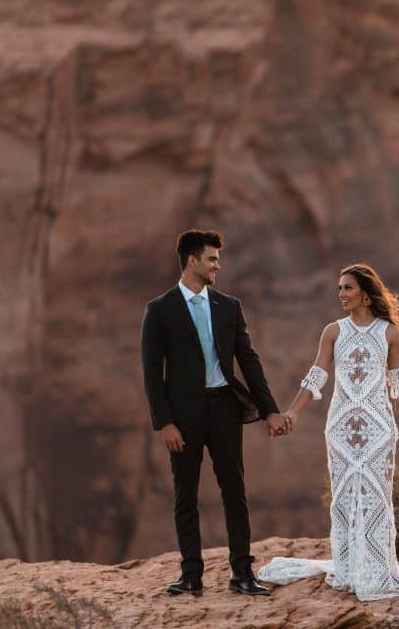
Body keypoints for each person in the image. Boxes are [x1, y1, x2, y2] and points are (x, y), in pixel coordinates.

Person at [257, 263, 399, 601]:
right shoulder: (333, 331)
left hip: (379, 428)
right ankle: (350, 566)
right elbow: (317, 375)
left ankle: (377, 568)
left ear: (366, 294)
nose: (341, 294)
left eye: (347, 288)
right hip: (341, 428)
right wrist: (293, 411)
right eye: (339, 288)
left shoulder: (389, 333)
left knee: (377, 496)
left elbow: (398, 382)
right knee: (345, 495)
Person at [141, 229, 290, 598]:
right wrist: (165, 423)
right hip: (183, 417)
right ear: (192, 260)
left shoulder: (229, 306)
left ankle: (242, 573)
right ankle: (191, 575)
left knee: (234, 490)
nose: (217, 266)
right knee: (185, 494)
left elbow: (249, 360)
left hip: (225, 407)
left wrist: (270, 410)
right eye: (211, 259)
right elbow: (151, 373)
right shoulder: (159, 309)